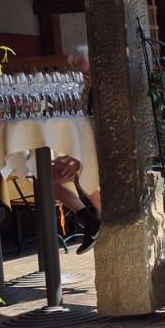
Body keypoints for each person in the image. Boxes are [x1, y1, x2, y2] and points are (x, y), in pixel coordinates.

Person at [51, 47, 100, 254]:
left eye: (87, 73)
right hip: (86, 152)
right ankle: (90, 221)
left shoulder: (104, 93)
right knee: (45, 176)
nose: (84, 78)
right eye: (79, 74)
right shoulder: (85, 93)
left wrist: (78, 160)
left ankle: (106, 218)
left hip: (101, 156)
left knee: (80, 172)